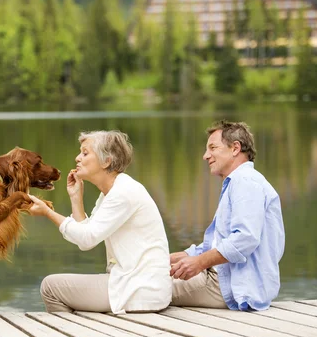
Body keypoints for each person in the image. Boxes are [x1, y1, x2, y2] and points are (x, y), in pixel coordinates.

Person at [28, 130, 172, 314]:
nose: (77, 158)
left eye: (85, 153)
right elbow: (85, 240)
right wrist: (75, 198)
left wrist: (48, 213)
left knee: (50, 287)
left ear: (106, 161)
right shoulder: (111, 193)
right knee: (57, 288)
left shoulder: (123, 193)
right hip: (133, 283)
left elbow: (87, 238)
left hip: (139, 289)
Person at [170, 120, 285, 311]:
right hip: (221, 280)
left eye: (212, 147)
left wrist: (198, 263)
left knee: (145, 289)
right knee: (153, 275)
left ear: (235, 148)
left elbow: (245, 239)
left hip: (231, 287)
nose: (205, 156)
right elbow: (218, 244)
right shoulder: (238, 182)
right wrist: (174, 258)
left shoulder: (245, 182)